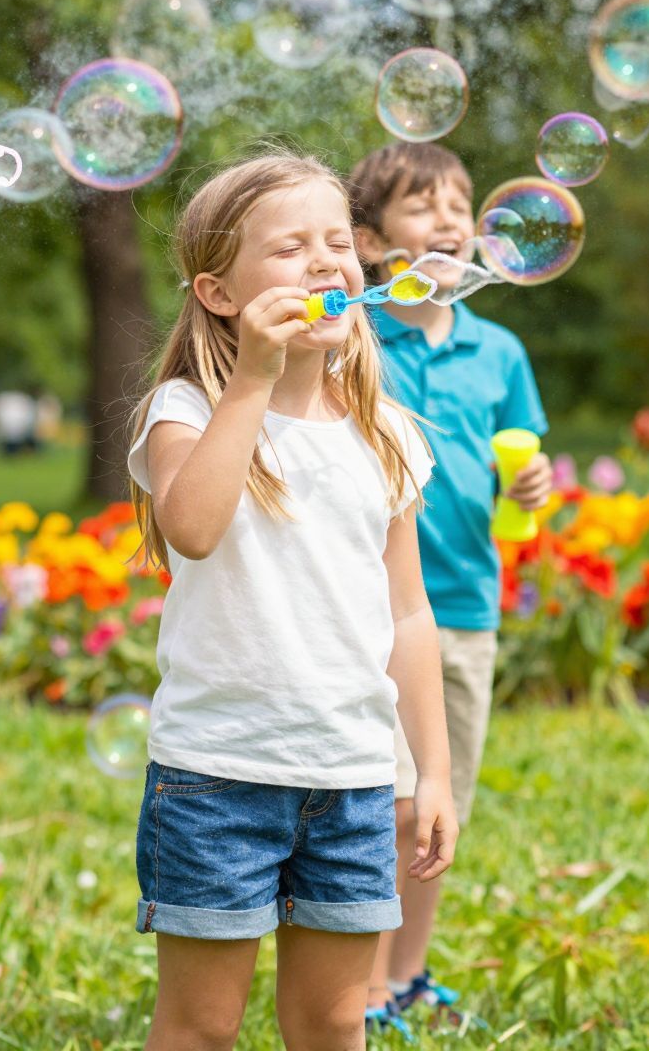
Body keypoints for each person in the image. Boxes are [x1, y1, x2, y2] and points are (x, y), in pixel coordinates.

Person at [126, 151, 455, 1051]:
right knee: (202, 1025)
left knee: (332, 1023)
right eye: (288, 249)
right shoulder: (188, 410)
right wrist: (254, 381)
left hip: (350, 776)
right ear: (218, 291)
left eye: (338, 243)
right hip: (218, 776)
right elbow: (191, 527)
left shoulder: (385, 434)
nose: (323, 263)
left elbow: (409, 615)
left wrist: (431, 771)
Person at [346, 142, 552, 1033]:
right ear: (371, 239)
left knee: (435, 810)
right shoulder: (354, 337)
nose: (449, 219)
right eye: (422, 204)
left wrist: (535, 483)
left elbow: (523, 457)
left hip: (465, 606)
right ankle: (359, 985)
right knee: (380, 806)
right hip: (363, 609)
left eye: (460, 203)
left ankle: (409, 972)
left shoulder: (498, 350)